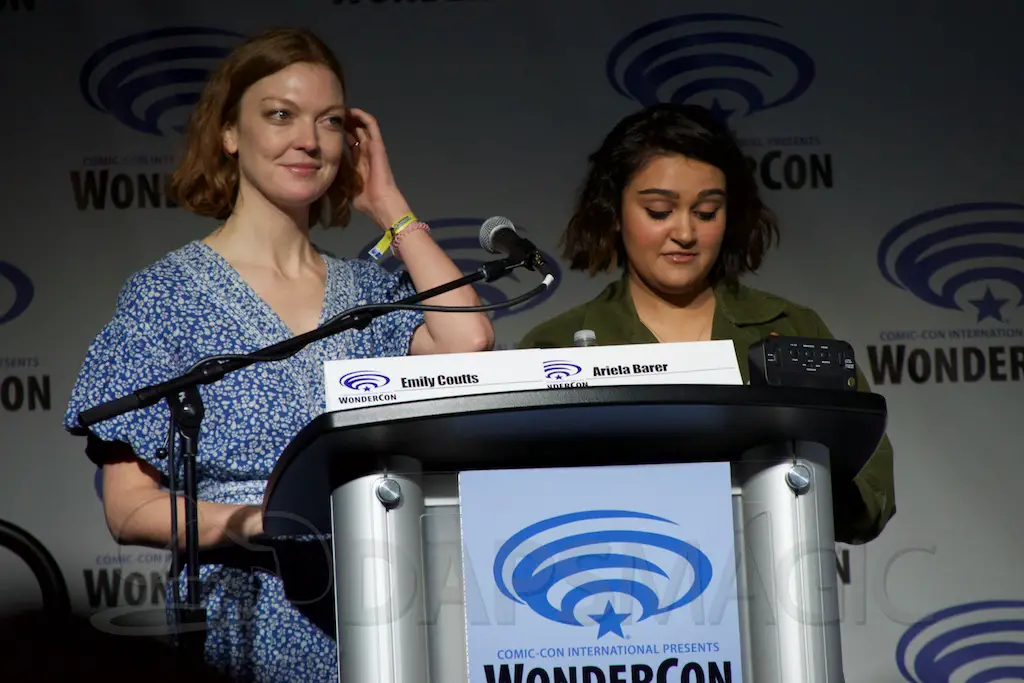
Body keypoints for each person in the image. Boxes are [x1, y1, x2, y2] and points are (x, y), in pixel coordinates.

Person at [63, 28, 493, 682]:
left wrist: (390, 207)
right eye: (280, 115)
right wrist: (259, 524)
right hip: (244, 618)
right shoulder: (165, 296)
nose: (309, 140)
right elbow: (127, 510)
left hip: (381, 611)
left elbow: (469, 342)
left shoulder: (368, 291)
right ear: (229, 133)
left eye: (329, 121)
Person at [518, 103, 895, 545]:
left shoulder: (792, 329)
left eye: (706, 212)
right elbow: (520, 504)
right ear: (614, 213)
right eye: (659, 211)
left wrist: (799, 467)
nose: (685, 233)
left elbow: (871, 496)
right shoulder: (554, 346)